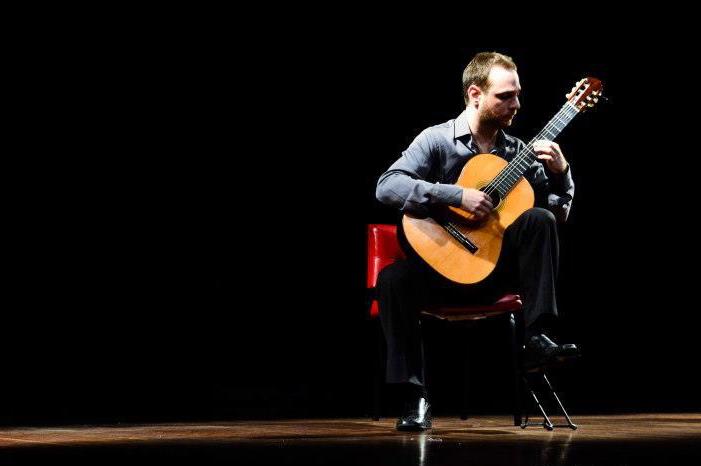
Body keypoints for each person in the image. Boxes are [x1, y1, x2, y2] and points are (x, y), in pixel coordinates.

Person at [375, 52, 580, 431]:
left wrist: (561, 174)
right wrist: (456, 196)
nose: (516, 105)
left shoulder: (517, 153)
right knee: (393, 280)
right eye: (505, 96)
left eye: (517, 95)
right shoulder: (436, 140)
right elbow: (387, 187)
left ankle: (538, 339)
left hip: (493, 272)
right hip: (440, 271)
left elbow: (557, 219)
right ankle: (414, 397)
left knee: (539, 218)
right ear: (475, 94)